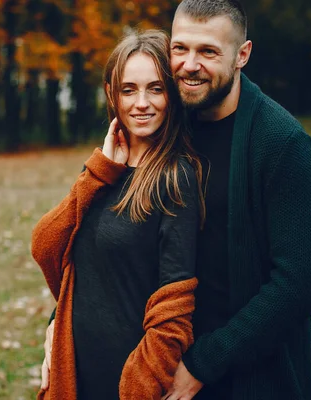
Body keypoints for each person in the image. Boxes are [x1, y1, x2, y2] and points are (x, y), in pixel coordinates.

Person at [42, 1, 311, 399]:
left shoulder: (281, 145)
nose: (189, 65)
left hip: (243, 372)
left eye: (208, 51)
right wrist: (61, 326)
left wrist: (203, 363)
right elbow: (104, 249)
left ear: (242, 54)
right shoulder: (171, 123)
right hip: (166, 359)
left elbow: (300, 285)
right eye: (180, 48)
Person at [31, 29, 205, 400]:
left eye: (155, 88)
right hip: (76, 371)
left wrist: (140, 385)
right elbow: (47, 246)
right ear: (113, 94)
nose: (141, 103)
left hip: (127, 381)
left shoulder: (176, 177)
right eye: (129, 90)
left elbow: (173, 309)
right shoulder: (104, 168)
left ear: (172, 94)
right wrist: (54, 326)